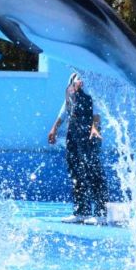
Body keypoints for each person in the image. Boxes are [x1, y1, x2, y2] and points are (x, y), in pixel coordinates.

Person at [48, 72, 108, 224]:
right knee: (75, 170)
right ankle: (81, 211)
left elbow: (98, 106)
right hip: (73, 131)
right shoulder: (72, 77)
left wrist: (95, 127)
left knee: (92, 170)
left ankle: (101, 214)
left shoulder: (91, 77)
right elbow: (66, 105)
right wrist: (55, 127)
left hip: (89, 132)